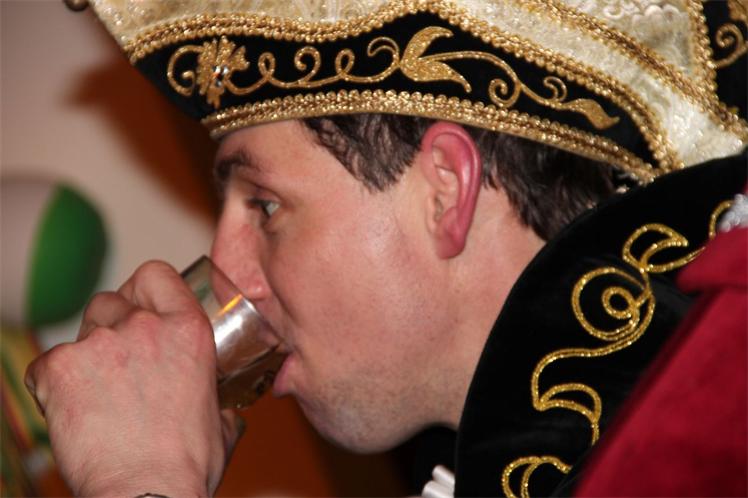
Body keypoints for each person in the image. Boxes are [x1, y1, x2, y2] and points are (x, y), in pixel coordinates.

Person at [25, 0, 747, 496]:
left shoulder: (701, 443)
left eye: (266, 206)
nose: (231, 273)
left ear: (445, 190)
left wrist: (141, 482)